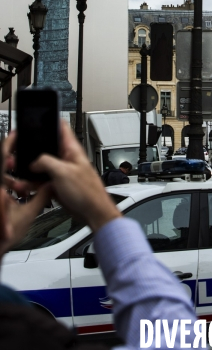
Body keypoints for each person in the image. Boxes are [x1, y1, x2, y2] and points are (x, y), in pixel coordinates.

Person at [0, 122, 197, 349]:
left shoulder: (10, 295)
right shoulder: (13, 316)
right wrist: (103, 214)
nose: (10, 193)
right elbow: (178, 339)